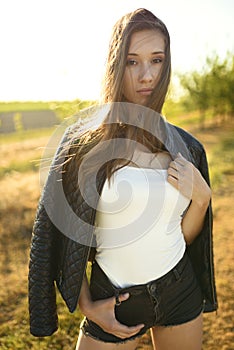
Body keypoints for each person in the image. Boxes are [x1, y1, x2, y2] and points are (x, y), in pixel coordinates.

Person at [28, 8, 218, 350]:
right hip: (114, 296)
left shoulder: (185, 146)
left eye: (156, 60)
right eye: (132, 61)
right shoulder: (85, 143)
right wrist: (87, 304)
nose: (146, 75)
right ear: (116, 65)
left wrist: (202, 199)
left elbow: (180, 236)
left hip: (179, 291)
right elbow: (54, 232)